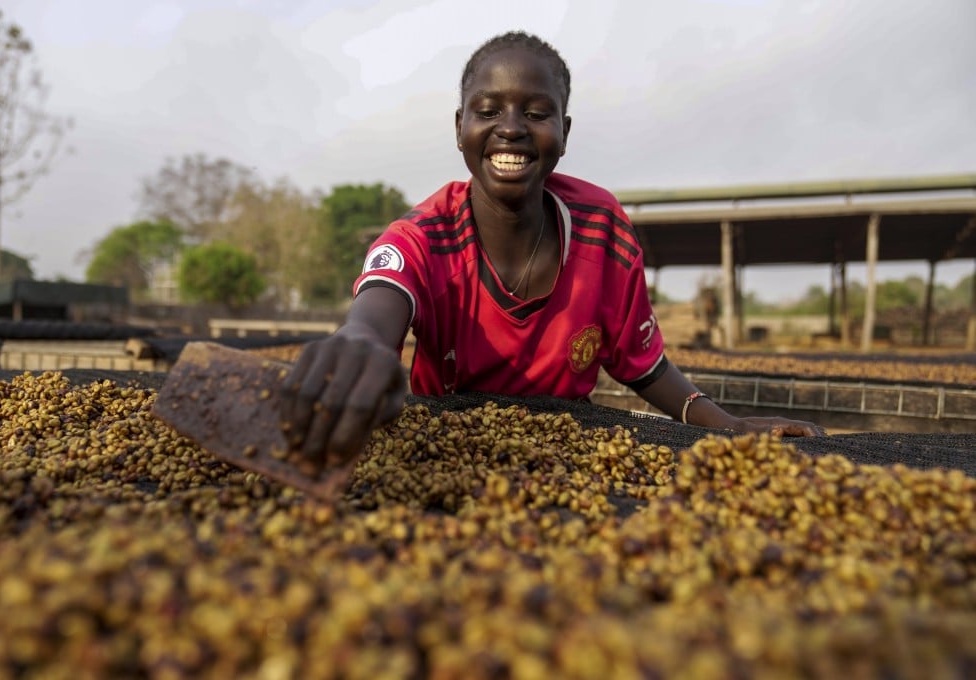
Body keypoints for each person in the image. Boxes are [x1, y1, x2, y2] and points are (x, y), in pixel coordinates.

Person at [282, 31, 824, 474]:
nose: (512, 128)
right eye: (488, 110)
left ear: (563, 133)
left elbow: (643, 363)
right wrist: (357, 343)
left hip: (568, 453)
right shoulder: (423, 235)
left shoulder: (602, 228)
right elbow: (377, 309)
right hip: (440, 452)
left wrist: (723, 422)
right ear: (460, 128)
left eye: (537, 114)